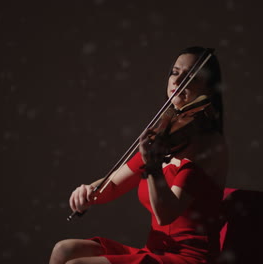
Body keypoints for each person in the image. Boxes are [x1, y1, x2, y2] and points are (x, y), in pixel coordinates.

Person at [50, 46, 228, 264]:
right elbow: (114, 184)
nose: (178, 80)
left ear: (209, 90)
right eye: (175, 72)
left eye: (191, 76)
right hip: (156, 252)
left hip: (190, 259)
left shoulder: (207, 143)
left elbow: (167, 213)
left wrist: (153, 166)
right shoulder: (168, 135)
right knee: (64, 250)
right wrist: (89, 193)